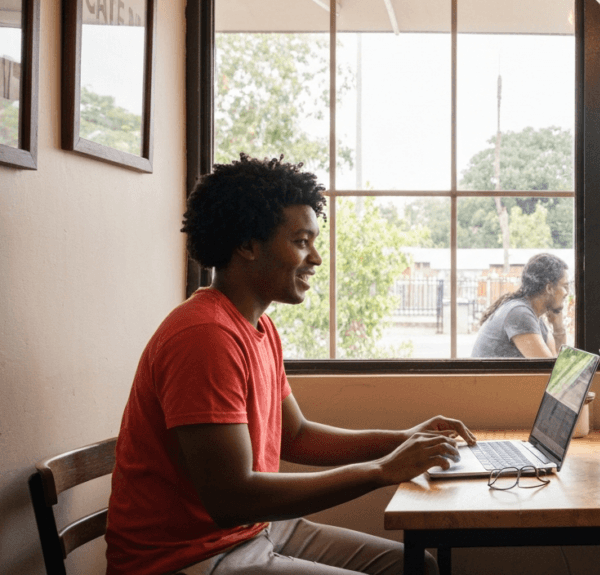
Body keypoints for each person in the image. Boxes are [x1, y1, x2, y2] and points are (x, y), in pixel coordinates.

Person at [105, 155, 475, 575]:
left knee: (416, 566)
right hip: (185, 559)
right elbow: (231, 500)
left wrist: (401, 440)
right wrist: (380, 471)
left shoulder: (257, 327)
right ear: (247, 245)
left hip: (251, 532)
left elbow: (295, 436)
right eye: (301, 242)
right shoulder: (203, 336)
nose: (316, 258)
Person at [471, 252, 568, 358]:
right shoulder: (520, 313)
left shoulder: (535, 318)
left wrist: (558, 328)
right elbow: (550, 369)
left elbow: (556, 362)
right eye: (564, 286)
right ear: (549, 288)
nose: (567, 292)